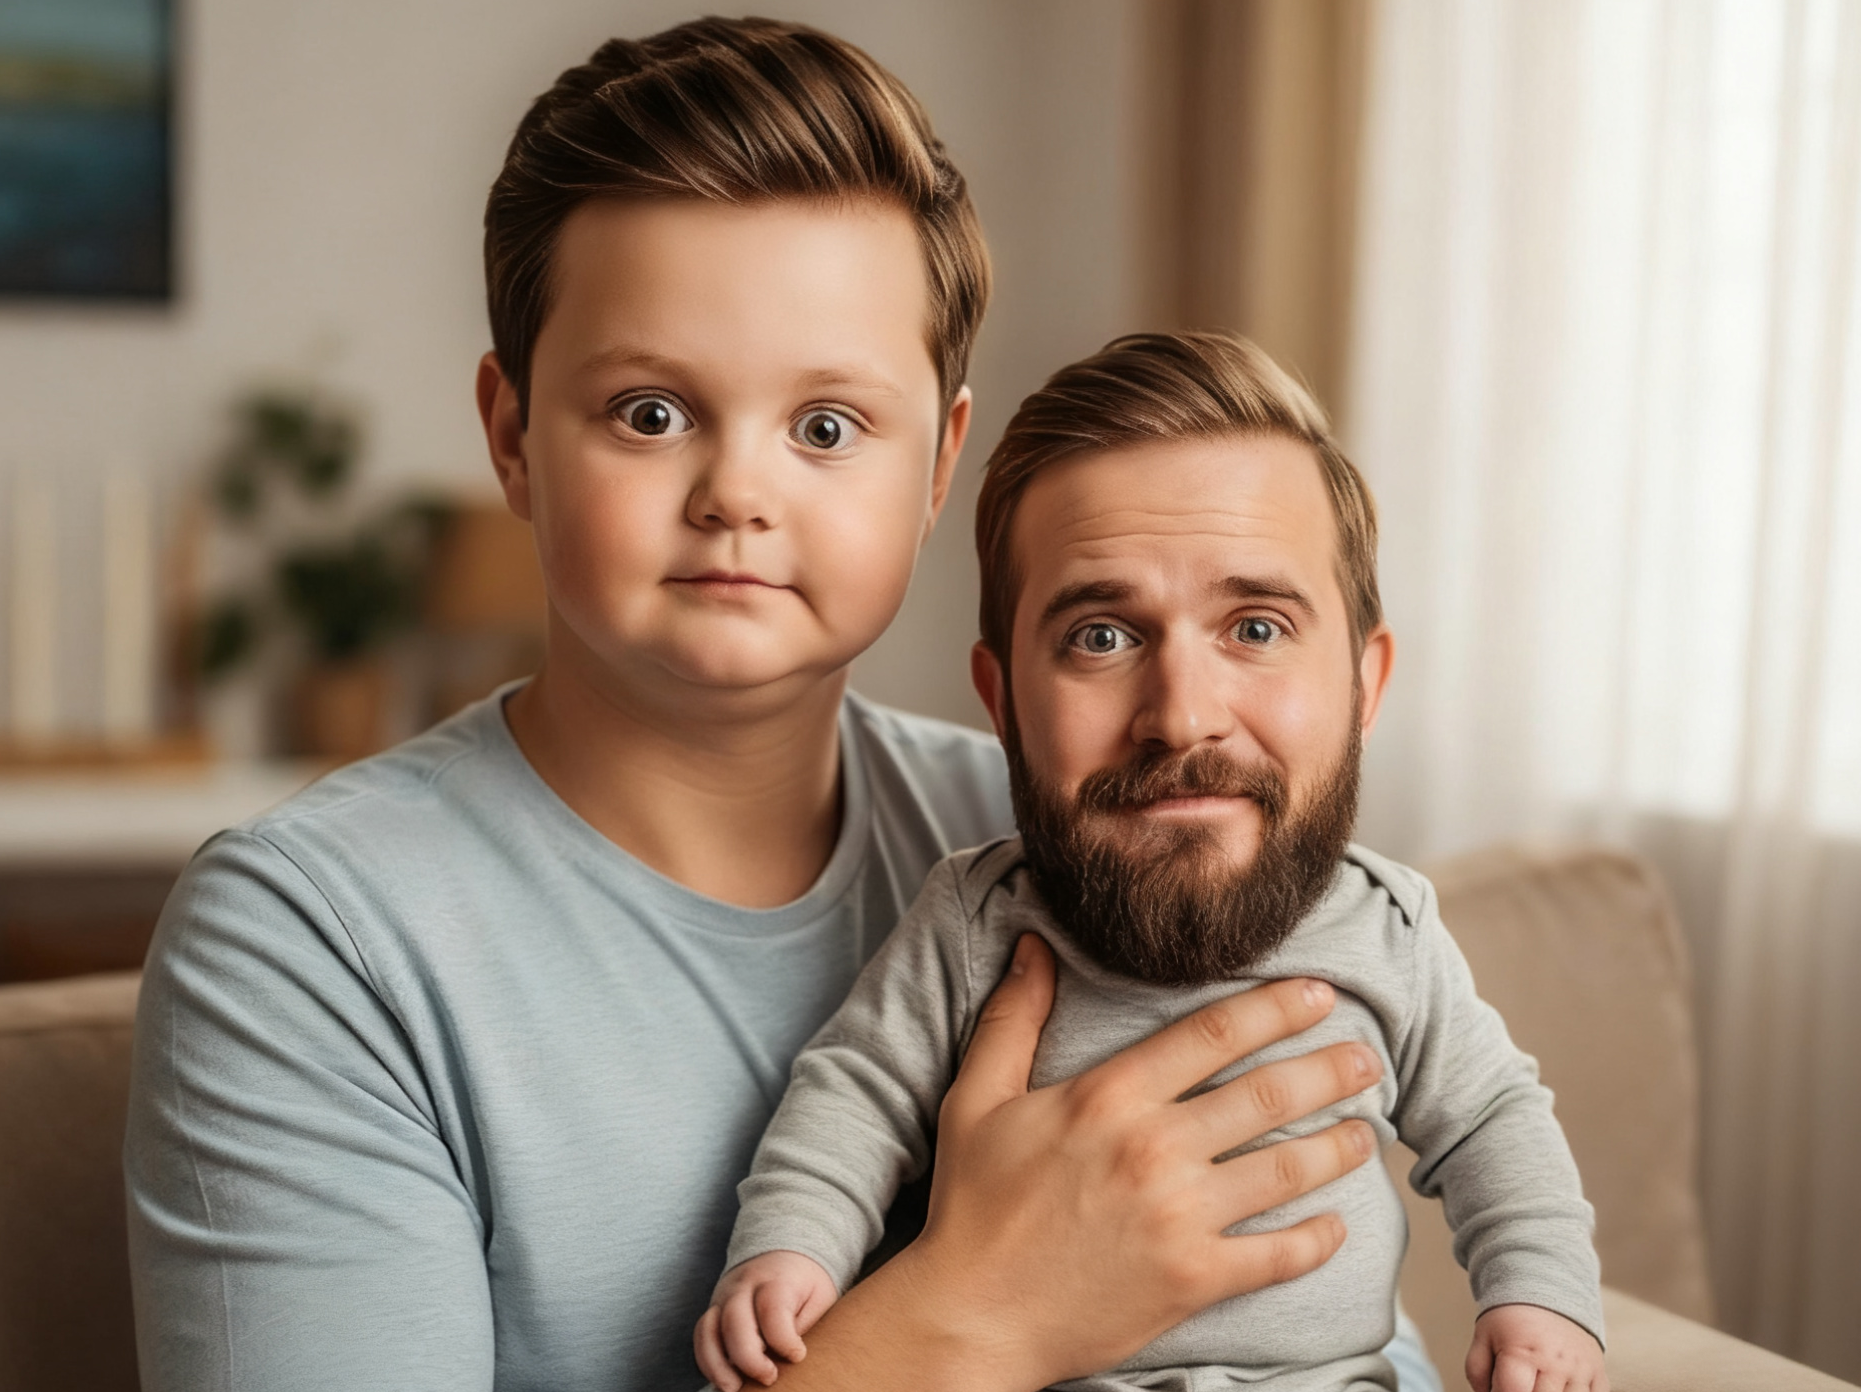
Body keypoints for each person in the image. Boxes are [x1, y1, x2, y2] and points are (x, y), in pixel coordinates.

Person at [124, 21, 1439, 1392]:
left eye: (826, 428)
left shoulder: (1067, 833)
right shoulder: (311, 942)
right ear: (511, 434)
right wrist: (975, 1317)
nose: (736, 495)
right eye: (648, 413)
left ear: (938, 465)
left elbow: (1343, 1341)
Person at [699, 333, 1609, 1392]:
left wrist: (1543, 1299)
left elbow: (1495, 1121)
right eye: (1100, 637)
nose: (1181, 717)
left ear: (1365, 686)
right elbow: (856, 1095)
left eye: (1256, 628)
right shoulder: (975, 921)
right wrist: (791, 1251)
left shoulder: (1389, 929)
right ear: (1003, 703)